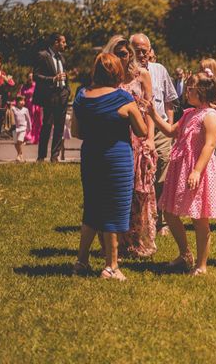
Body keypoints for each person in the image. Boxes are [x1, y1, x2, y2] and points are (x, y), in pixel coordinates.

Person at [71, 53, 148, 280]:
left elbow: (76, 132)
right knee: (115, 209)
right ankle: (111, 266)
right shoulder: (123, 98)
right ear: (117, 72)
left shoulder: (82, 96)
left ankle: (81, 260)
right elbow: (142, 131)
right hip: (117, 158)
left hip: (92, 156)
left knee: (92, 208)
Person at [147, 71, 216, 276]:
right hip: (181, 168)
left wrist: (197, 170)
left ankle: (201, 265)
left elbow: (209, 144)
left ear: (203, 91)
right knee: (170, 212)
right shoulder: (189, 113)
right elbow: (172, 131)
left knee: (199, 217)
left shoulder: (211, 116)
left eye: (191, 88)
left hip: (199, 169)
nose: (187, 91)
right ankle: (184, 254)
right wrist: (153, 114)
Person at [103, 35, 158, 258]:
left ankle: (139, 240)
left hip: (140, 138)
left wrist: (151, 139)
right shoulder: (108, 78)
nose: (121, 57)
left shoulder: (141, 75)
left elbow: (150, 110)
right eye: (116, 53)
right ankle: (118, 242)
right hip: (117, 138)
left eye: (124, 53)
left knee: (140, 192)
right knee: (119, 190)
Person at [129, 33, 178, 211]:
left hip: (161, 128)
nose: (141, 55)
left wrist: (170, 128)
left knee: (163, 172)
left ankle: (161, 219)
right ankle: (140, 213)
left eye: (144, 51)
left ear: (150, 51)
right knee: (139, 173)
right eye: (137, 51)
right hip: (137, 128)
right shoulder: (127, 74)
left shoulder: (159, 69)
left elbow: (169, 101)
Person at [34, 33, 70, 162]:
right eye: (63, 42)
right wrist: (53, 79)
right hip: (49, 96)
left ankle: (54, 157)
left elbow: (65, 75)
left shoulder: (62, 58)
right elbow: (36, 76)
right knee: (47, 126)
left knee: (60, 127)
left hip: (62, 95)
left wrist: (67, 91)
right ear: (56, 42)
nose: (65, 45)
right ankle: (41, 156)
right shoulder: (43, 56)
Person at [19, 72, 42, 144]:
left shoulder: (36, 85)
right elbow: (20, 95)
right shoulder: (24, 86)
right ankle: (27, 137)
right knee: (27, 122)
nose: (30, 78)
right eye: (29, 76)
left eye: (32, 76)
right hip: (27, 106)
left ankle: (35, 138)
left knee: (36, 123)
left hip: (35, 106)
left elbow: (40, 94)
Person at [11, 95, 32, 162]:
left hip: (22, 128)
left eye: (23, 101)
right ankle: (20, 155)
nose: (22, 102)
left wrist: (29, 127)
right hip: (14, 129)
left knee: (20, 141)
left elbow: (28, 119)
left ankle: (19, 155)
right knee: (15, 143)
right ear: (16, 102)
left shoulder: (25, 110)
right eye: (21, 101)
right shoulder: (13, 109)